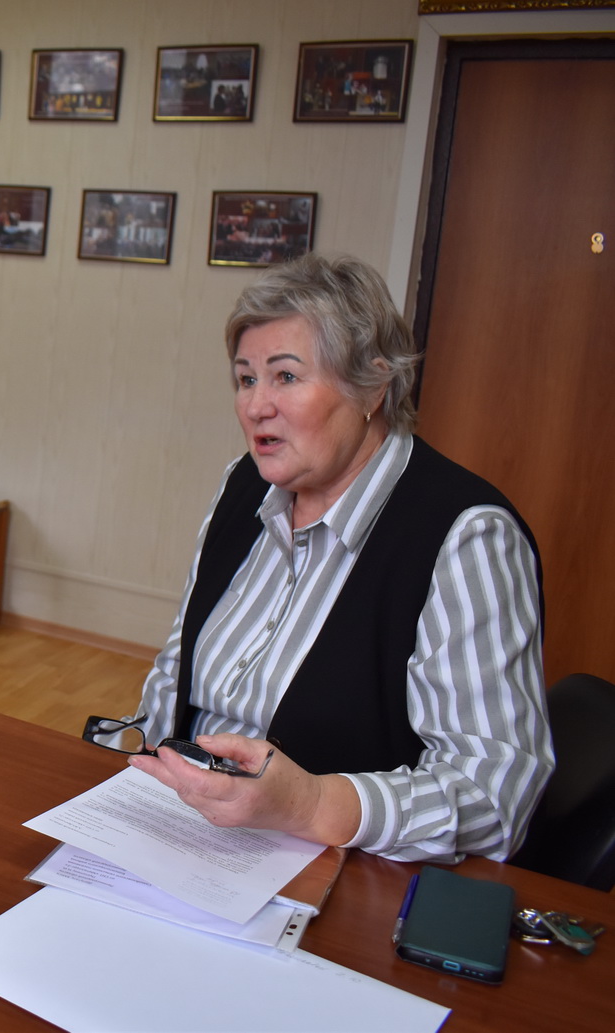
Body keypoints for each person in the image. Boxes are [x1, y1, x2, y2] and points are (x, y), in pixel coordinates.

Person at [115, 253, 552, 863]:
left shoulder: (466, 536)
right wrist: (137, 768)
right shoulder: (243, 487)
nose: (255, 406)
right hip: (186, 836)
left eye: (286, 377)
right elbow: (177, 668)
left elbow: (494, 798)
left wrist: (314, 804)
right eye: (246, 378)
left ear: (373, 385)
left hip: (338, 870)